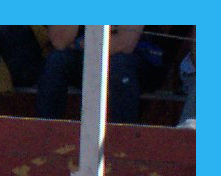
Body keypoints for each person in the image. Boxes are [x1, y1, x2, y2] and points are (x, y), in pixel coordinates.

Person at [33, 25, 163, 124]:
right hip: (90, 55)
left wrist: (79, 44)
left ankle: (122, 142)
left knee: (119, 66)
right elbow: (59, 41)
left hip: (138, 60)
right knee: (56, 60)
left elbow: (124, 44)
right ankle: (46, 134)